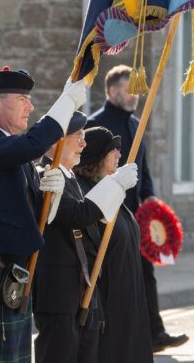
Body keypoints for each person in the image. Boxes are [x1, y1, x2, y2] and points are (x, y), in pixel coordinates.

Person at [0, 66, 86, 363]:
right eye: (21, 99)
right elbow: (32, 145)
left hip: (15, 271)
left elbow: (25, 204)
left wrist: (49, 196)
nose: (30, 106)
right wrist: (65, 104)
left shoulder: (11, 147)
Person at [86, 64, 188, 352]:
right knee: (113, 277)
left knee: (145, 273)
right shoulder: (97, 124)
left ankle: (155, 332)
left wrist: (150, 196)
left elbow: (144, 168)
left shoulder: (135, 124)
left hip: (136, 215)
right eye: (131, 90)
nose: (136, 96)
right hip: (107, 214)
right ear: (113, 91)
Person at [34, 112, 138, 363]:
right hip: (59, 291)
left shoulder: (72, 178)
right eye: (77, 137)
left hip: (84, 288)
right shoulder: (46, 174)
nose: (83, 143)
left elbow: (91, 223)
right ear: (56, 142)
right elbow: (77, 214)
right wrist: (115, 185)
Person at [74, 126, 154, 363]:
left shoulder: (112, 189)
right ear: (98, 155)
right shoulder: (90, 193)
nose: (120, 154)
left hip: (130, 293)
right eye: (113, 150)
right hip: (109, 298)